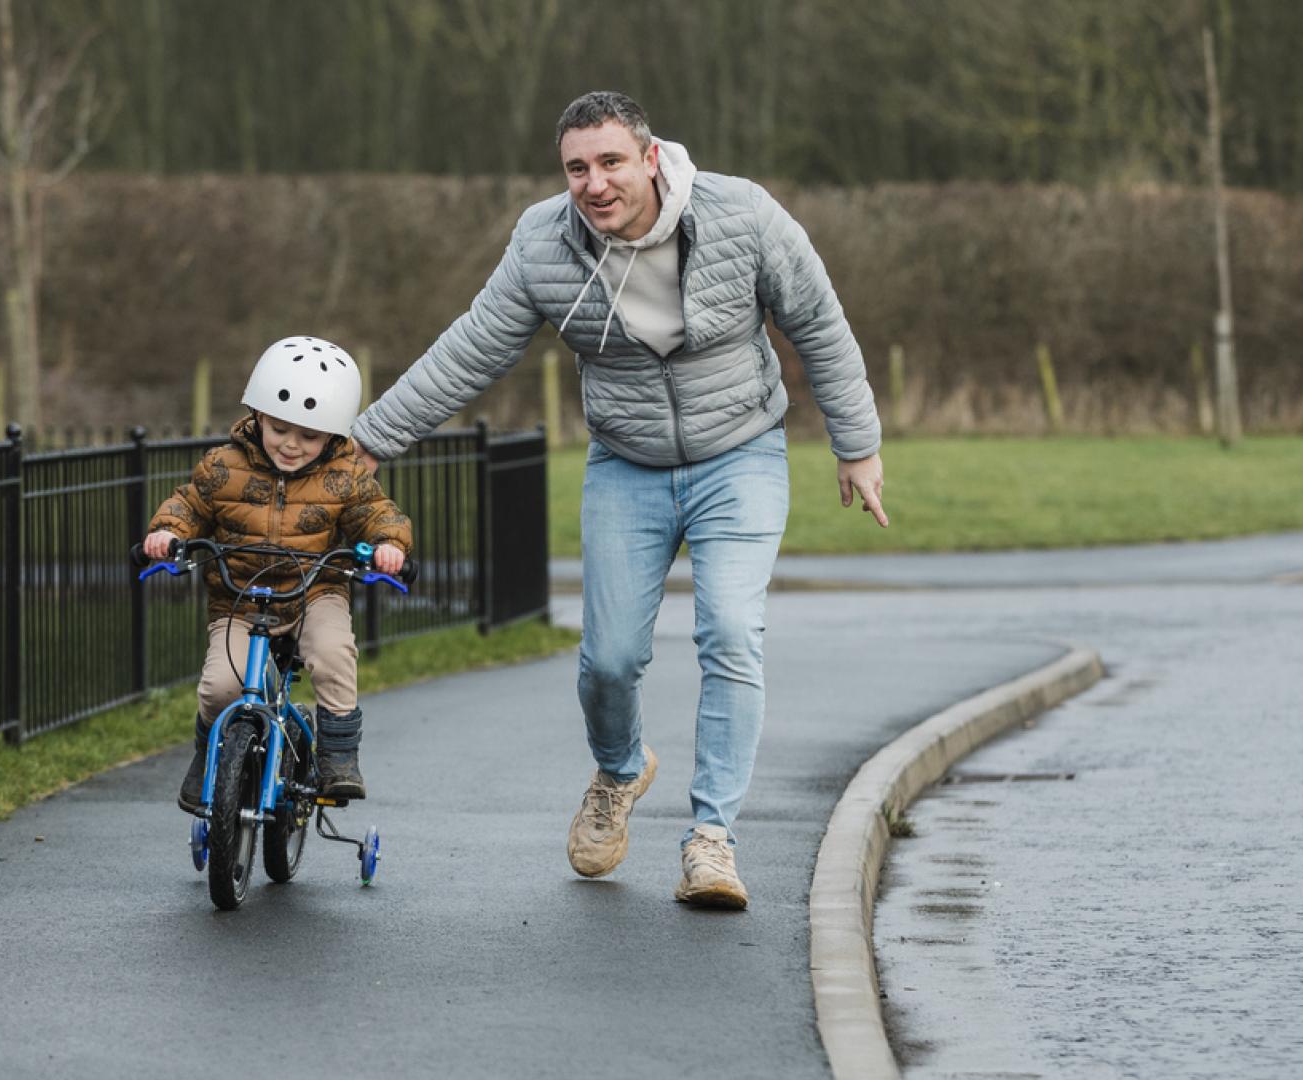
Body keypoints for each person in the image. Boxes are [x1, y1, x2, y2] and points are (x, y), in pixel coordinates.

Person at [350, 91, 886, 911]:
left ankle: (712, 841)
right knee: (608, 661)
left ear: (649, 157)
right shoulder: (544, 244)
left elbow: (818, 322)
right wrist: (368, 442)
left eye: (608, 163)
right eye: (576, 168)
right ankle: (620, 769)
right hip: (626, 465)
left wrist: (857, 444)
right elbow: (470, 349)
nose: (593, 184)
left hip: (739, 453)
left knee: (733, 633)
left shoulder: (741, 214)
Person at [145, 336, 413, 814]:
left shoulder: (345, 475)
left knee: (333, 655)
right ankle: (208, 753)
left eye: (309, 436)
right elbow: (187, 503)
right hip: (240, 601)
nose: (292, 445)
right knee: (221, 687)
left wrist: (390, 546)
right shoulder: (222, 466)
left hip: (316, 594)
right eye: (280, 428)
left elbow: (377, 513)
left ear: (331, 435)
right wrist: (167, 533)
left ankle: (338, 757)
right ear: (257, 416)